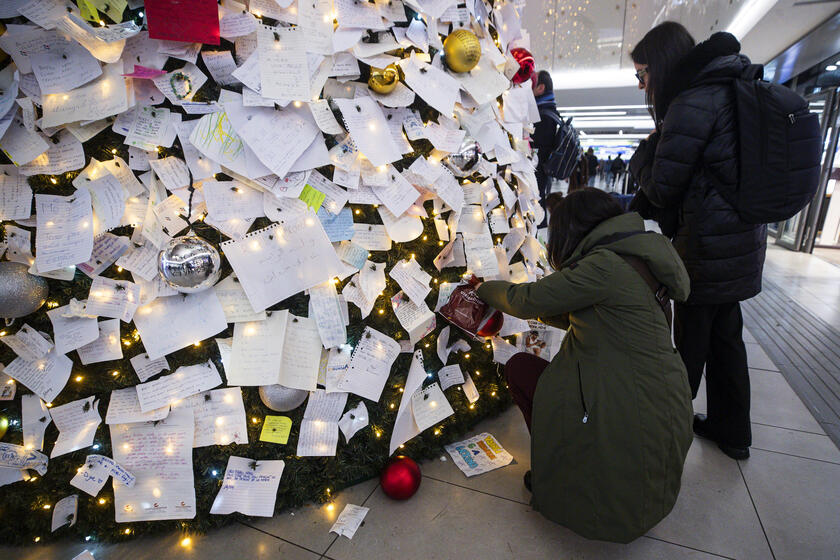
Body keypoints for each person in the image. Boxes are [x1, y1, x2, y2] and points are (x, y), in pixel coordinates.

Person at [475, 188, 693, 543]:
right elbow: (594, 313)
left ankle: (557, 473)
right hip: (664, 401)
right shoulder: (637, 255)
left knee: (520, 369)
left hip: (624, 406)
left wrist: (483, 288)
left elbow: (525, 300)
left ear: (570, 231)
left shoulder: (603, 264)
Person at [628, 23, 768, 460]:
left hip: (706, 246)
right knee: (727, 338)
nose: (641, 84)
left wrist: (644, 154)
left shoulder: (692, 101)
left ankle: (659, 434)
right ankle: (733, 432)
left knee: (689, 345)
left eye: (642, 73)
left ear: (662, 65)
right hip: (741, 242)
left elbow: (663, 188)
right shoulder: (728, 87)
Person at [531, 70, 557, 223]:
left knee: (536, 201)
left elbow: (537, 144)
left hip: (537, 169)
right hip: (542, 170)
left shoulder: (542, 114)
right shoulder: (549, 110)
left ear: (540, 88)